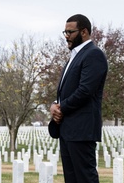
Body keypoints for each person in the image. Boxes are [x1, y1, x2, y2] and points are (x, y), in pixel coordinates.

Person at [48, 14, 108, 183]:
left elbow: (85, 91)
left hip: (82, 130)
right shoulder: (73, 57)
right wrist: (54, 105)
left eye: (70, 32)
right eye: (65, 32)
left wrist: (61, 108)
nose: (66, 35)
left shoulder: (93, 55)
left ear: (84, 32)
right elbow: (65, 91)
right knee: (72, 179)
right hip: (67, 130)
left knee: (85, 178)